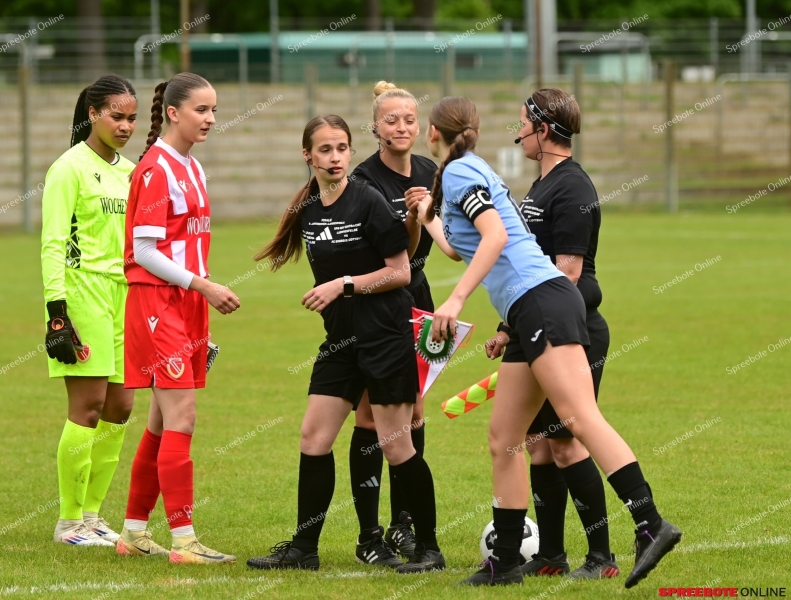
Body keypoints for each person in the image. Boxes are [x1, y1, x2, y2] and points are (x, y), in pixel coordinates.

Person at [419, 96, 681, 588]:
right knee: (505, 439)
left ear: (433, 133)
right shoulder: (462, 171)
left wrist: (453, 302)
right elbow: (467, 246)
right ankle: (507, 564)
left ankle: (650, 524)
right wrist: (426, 216)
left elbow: (494, 237)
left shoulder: (459, 172)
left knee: (578, 420)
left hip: (543, 301)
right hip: (526, 311)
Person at [247, 114, 445, 573]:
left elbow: (401, 271)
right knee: (313, 438)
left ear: (351, 152)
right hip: (340, 342)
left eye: (341, 148)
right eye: (324, 150)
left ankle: (428, 549)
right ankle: (303, 550)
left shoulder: (368, 201)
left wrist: (344, 285)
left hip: (385, 338)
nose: (334, 158)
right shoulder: (309, 208)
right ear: (308, 156)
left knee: (397, 446)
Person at [486, 89, 619, 579]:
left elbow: (565, 275)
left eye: (522, 123)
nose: (517, 131)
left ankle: (602, 557)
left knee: (566, 443)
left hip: (572, 329)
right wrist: (508, 327)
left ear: (542, 130)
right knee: (538, 443)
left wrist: (525, 323)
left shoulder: (573, 188)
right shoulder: (538, 187)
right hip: (539, 326)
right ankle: (550, 556)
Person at [115, 73, 240, 565]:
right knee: (182, 417)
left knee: (162, 421)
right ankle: (184, 541)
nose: (210, 119)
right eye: (201, 110)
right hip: (158, 302)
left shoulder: (193, 167)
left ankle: (132, 532)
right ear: (173, 112)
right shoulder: (155, 169)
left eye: (214, 110)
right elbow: (144, 250)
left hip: (186, 304)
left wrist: (200, 296)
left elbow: (187, 243)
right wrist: (203, 286)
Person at [348, 81, 460, 564]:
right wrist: (413, 216)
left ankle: (403, 525)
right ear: (374, 127)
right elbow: (388, 252)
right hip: (375, 304)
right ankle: (370, 533)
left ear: (422, 127)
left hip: (418, 299)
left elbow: (451, 240)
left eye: (409, 119)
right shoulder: (363, 179)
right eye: (391, 120)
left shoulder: (433, 172)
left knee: (413, 413)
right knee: (371, 416)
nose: (401, 127)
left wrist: (429, 209)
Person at [41, 74, 138, 546]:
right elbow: (53, 242)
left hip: (127, 296)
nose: (125, 126)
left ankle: (95, 516)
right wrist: (56, 312)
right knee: (88, 405)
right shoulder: (68, 168)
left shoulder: (132, 171)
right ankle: (68, 522)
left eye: (132, 118)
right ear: (93, 114)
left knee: (120, 408)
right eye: (116, 116)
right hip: (82, 295)